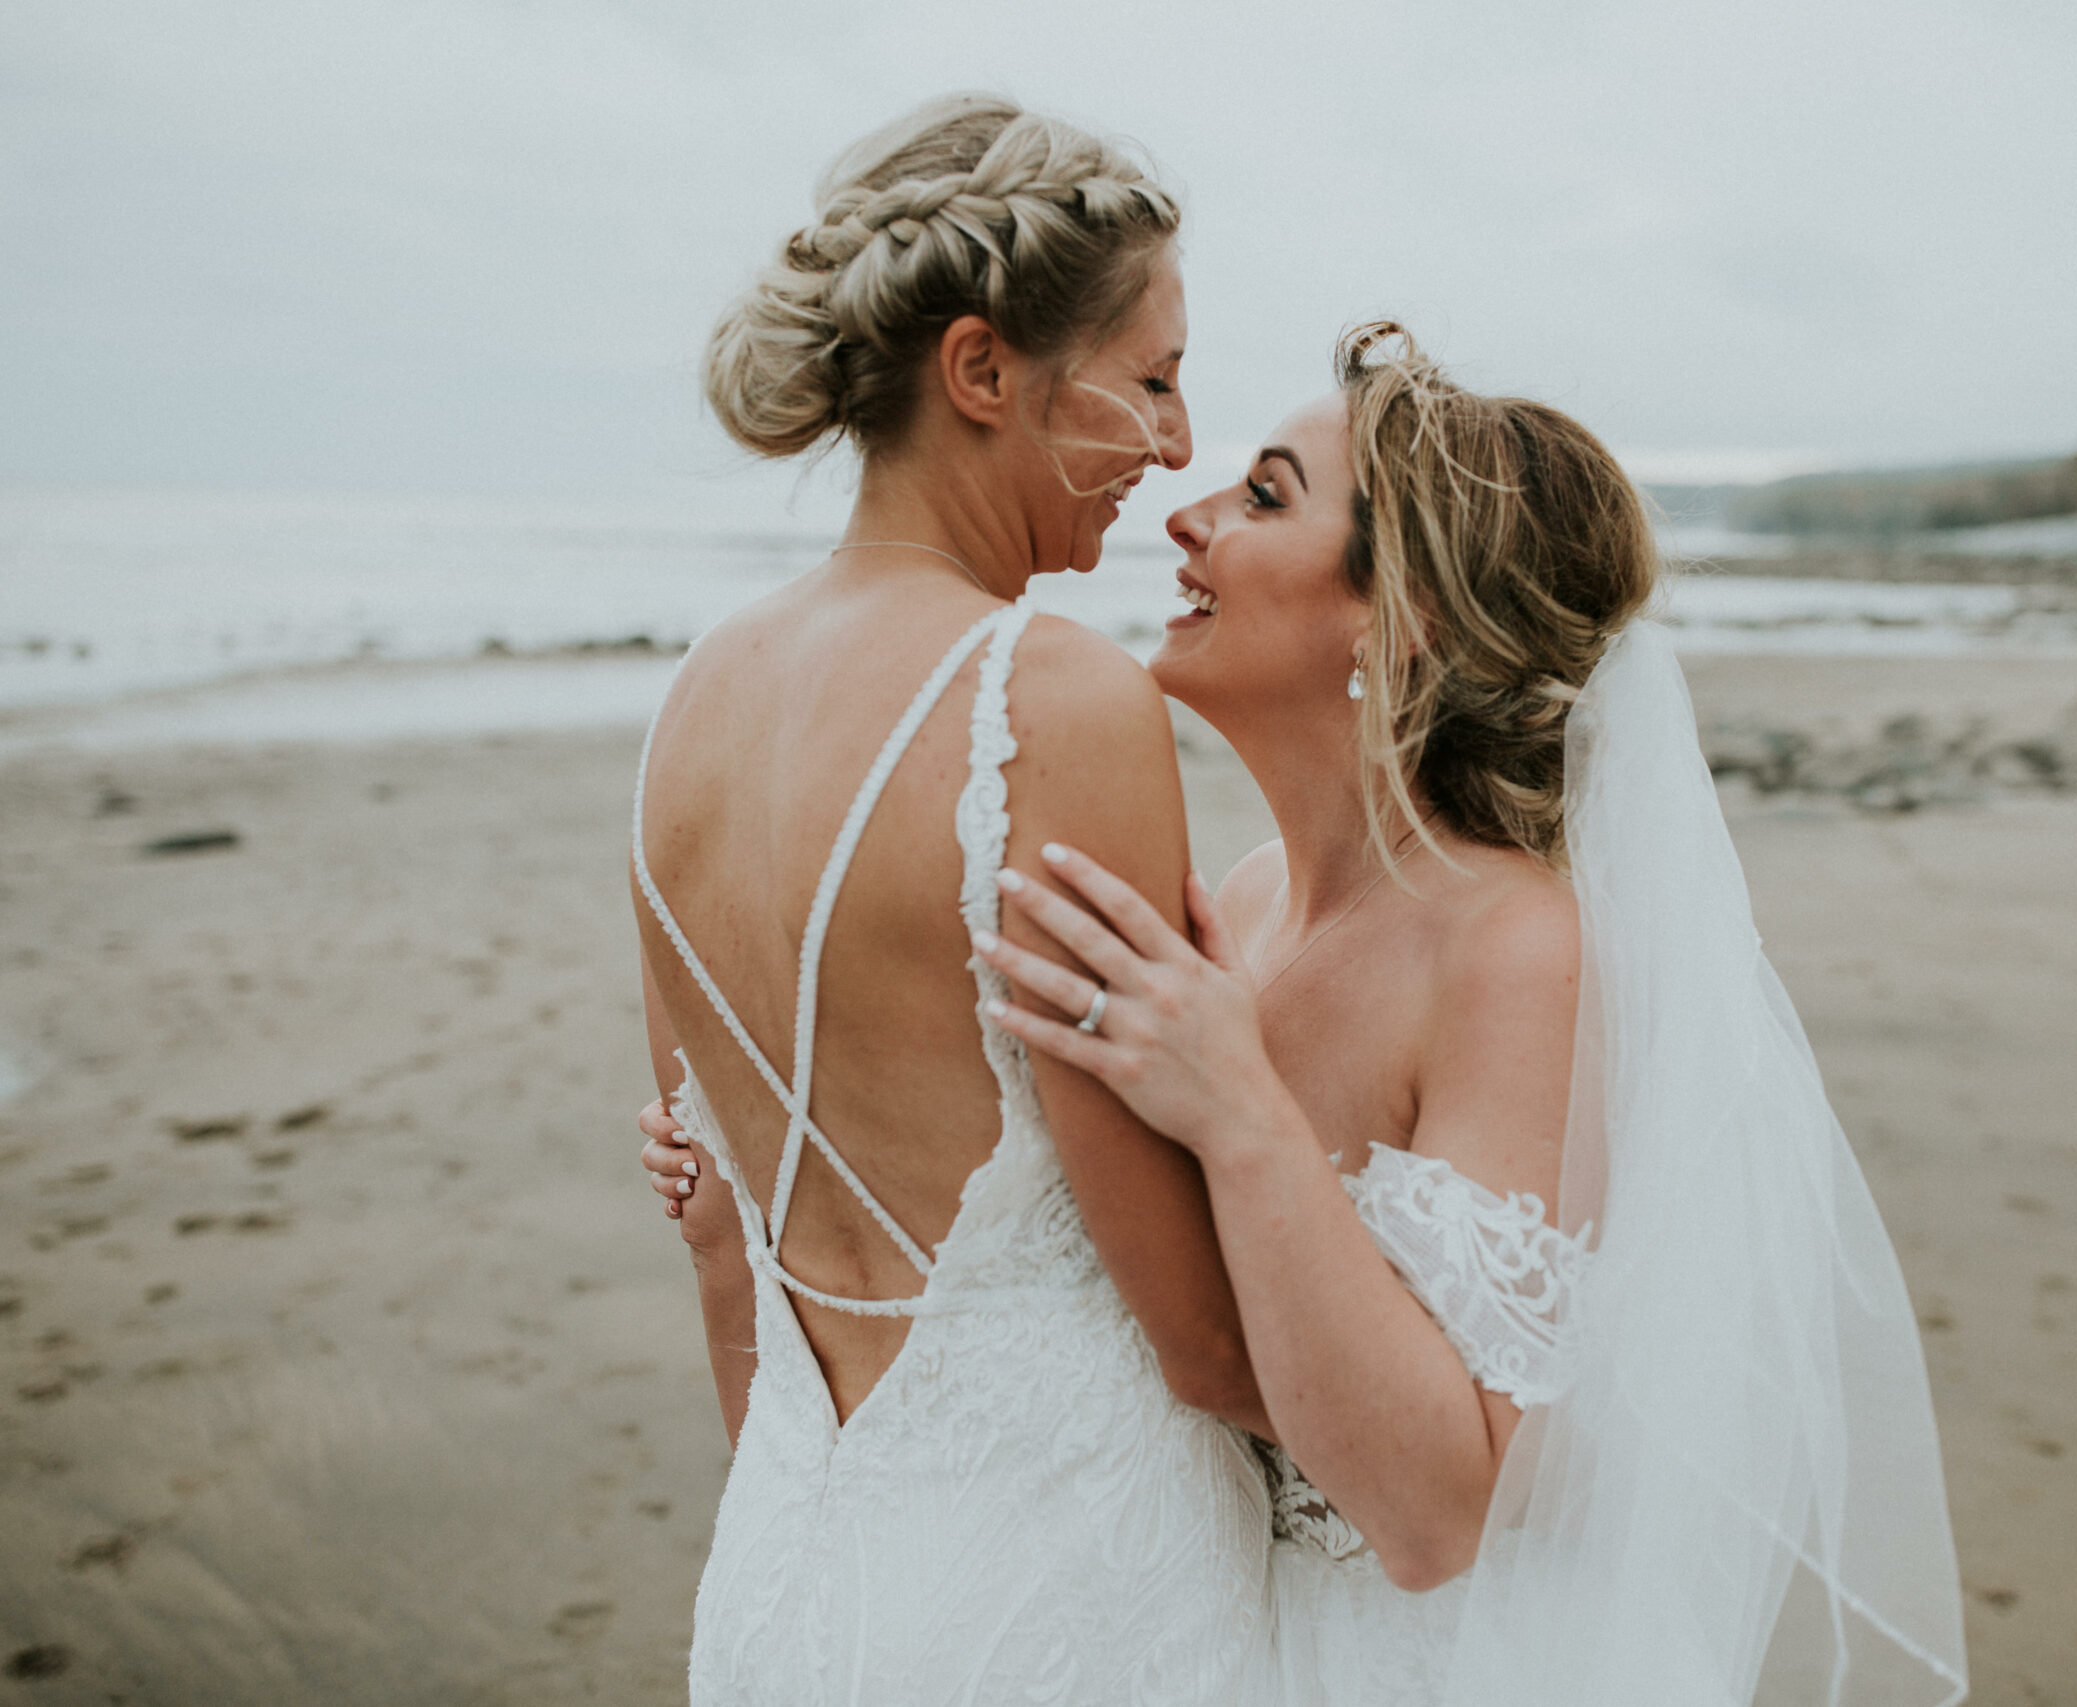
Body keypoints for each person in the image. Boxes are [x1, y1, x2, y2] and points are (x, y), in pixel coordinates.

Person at [649, 320, 1969, 1704]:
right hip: (1176, 1623)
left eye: (1266, 496)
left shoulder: (1515, 952)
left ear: (1404, 622)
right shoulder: (1249, 897)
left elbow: (1441, 1510)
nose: (1189, 513)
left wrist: (1244, 1115)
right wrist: (745, 1219)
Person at [630, 92, 1282, 1704]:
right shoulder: (1047, 702)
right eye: (1152, 381)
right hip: (1066, 1597)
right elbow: (1200, 1343)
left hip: (787, 1572)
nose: (1183, 447)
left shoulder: (689, 704)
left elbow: (734, 1238)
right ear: (983, 370)